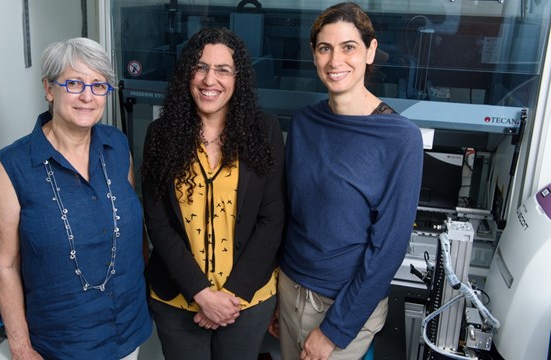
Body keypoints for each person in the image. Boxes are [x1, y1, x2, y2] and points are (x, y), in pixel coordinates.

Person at [270, 3, 424, 360]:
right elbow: (292, 213)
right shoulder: (304, 123)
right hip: (290, 289)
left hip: (344, 307)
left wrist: (334, 330)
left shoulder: (399, 138)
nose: (335, 60)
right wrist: (278, 293)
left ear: (370, 51)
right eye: (325, 48)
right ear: (314, 55)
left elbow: (387, 251)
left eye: (349, 47)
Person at [0, 37, 152, 359]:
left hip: (127, 330)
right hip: (62, 344)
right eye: (74, 83)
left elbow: (133, 231)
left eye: (98, 85)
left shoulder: (117, 146)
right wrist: (20, 348)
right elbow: (6, 266)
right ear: (49, 89)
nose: (88, 97)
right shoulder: (10, 169)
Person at [141, 27, 286, 360]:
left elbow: (272, 219)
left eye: (223, 70)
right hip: (178, 301)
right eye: (201, 67)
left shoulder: (264, 130)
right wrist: (202, 295)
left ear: (238, 79)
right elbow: (158, 224)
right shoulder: (159, 135)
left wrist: (229, 297)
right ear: (187, 74)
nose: (210, 80)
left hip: (245, 302)